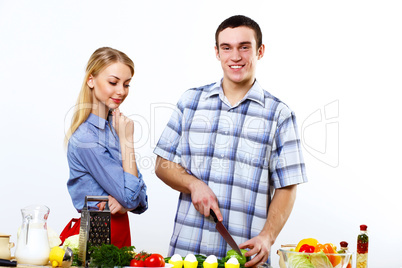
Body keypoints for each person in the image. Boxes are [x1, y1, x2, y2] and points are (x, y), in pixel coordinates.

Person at [154, 15, 307, 266]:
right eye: (227, 48)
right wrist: (193, 184)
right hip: (186, 254)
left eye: (244, 47)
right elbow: (162, 164)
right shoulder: (190, 102)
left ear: (260, 50)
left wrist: (267, 237)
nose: (235, 56)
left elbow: (288, 186)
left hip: (245, 257)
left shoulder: (279, 114)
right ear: (217, 52)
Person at [65, 47, 148, 248]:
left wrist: (126, 201)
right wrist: (127, 142)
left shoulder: (114, 128)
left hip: (120, 231)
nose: (121, 91)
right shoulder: (87, 138)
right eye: (113, 82)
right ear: (91, 80)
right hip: (95, 235)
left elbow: (142, 198)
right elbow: (131, 196)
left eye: (126, 84)